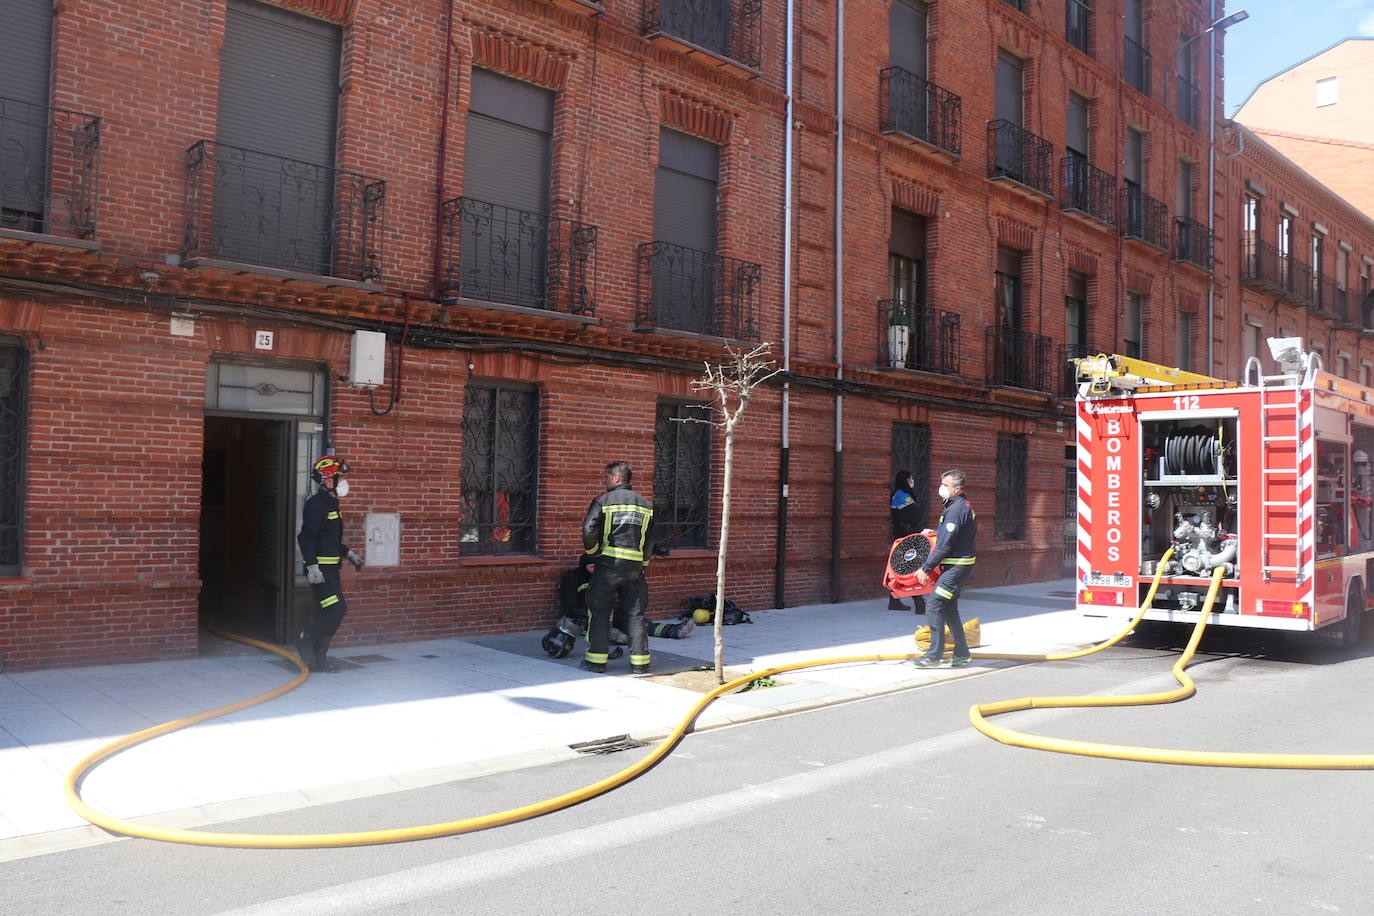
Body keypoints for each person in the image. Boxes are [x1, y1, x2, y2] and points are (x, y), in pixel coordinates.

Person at [580, 461, 655, 674]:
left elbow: (588, 529)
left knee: (600, 612)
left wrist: (593, 553)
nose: (604, 481)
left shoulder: (603, 500)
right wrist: (644, 563)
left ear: (615, 478)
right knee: (635, 614)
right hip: (634, 570)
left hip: (608, 566)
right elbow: (650, 540)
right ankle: (640, 665)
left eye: (606, 477)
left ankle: (596, 662)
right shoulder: (645, 505)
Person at [296, 455, 363, 673]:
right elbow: (306, 537)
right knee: (336, 608)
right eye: (340, 477)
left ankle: (319, 657)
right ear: (327, 480)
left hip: (331, 570)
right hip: (320, 572)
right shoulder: (316, 505)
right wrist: (312, 565)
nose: (344, 481)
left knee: (332, 610)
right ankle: (306, 642)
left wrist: (348, 553)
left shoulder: (332, 504)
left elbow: (328, 539)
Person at [912, 469, 976, 668]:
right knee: (949, 609)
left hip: (956, 567)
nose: (941, 488)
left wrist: (926, 567)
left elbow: (945, 545)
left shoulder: (956, 509)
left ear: (956, 489)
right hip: (957, 565)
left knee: (934, 604)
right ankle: (961, 653)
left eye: (945, 485)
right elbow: (952, 534)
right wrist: (936, 531)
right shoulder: (958, 506)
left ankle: (933, 656)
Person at [888, 469, 923, 611]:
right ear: (906, 479)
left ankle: (894, 601)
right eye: (911, 478)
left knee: (901, 568)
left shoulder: (902, 494)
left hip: (906, 536)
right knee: (910, 568)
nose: (912, 481)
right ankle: (919, 602)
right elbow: (914, 514)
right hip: (905, 538)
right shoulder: (901, 496)